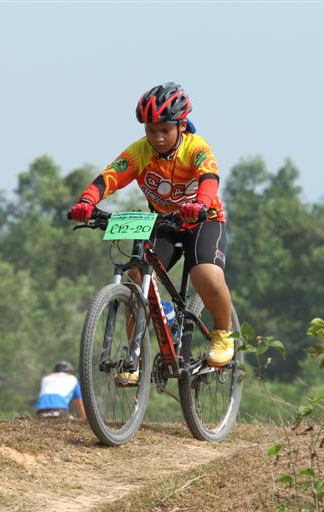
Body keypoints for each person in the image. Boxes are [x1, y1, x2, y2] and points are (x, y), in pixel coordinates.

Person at [68, 82, 235, 384]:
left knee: (205, 275)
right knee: (136, 276)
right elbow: (109, 177)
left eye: (165, 130)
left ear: (181, 125)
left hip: (203, 220)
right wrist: (86, 202)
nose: (157, 137)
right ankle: (135, 357)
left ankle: (223, 335)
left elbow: (209, 178)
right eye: (151, 130)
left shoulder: (196, 148)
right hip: (164, 223)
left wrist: (200, 204)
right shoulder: (140, 152)